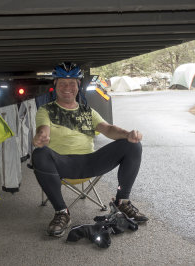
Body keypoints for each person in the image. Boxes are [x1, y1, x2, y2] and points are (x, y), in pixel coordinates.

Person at [32, 62, 148, 237]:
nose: (67, 87)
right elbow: (43, 129)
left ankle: (122, 201)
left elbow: (108, 129)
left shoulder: (88, 111)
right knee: (39, 154)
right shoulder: (46, 110)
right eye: (62, 82)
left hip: (90, 162)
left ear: (78, 86)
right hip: (62, 164)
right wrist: (41, 136)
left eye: (72, 83)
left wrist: (127, 134)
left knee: (132, 145)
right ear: (55, 85)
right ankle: (62, 213)